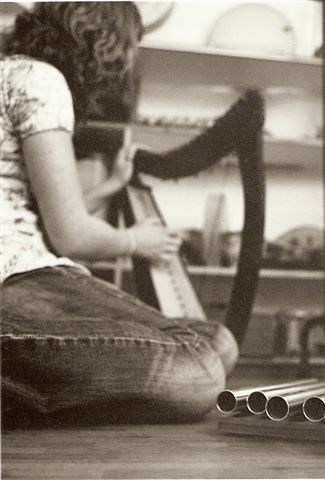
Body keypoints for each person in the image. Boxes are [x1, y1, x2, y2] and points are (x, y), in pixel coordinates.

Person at [0, 2, 238, 425]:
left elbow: (41, 220)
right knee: (199, 369)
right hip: (13, 277)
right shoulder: (39, 78)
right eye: (129, 47)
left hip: (21, 267)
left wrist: (112, 184)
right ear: (102, 40)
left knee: (215, 341)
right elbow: (71, 236)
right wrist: (135, 241)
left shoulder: (13, 73)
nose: (126, 63)